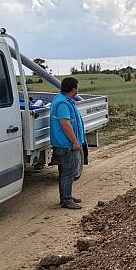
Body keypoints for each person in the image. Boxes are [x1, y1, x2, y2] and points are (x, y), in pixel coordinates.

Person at [50, 77, 85, 209]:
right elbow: (65, 124)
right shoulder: (62, 103)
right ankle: (66, 199)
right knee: (68, 172)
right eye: (76, 87)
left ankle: (67, 196)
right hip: (65, 144)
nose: (77, 90)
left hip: (65, 143)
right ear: (73, 89)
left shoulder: (64, 100)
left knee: (66, 171)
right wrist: (75, 141)